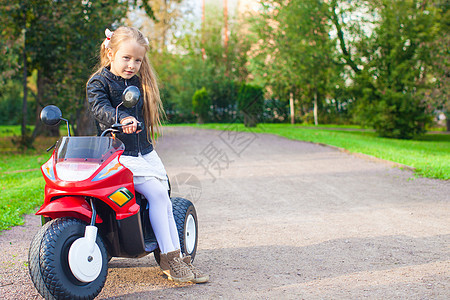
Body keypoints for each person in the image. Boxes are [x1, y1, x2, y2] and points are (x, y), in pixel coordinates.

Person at [86, 26, 208, 284]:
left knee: (163, 195)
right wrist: (121, 118)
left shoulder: (136, 81)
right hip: (118, 153)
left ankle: (176, 258)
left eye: (138, 60)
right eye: (126, 58)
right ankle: (172, 261)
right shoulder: (98, 82)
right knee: (155, 193)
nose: (132, 65)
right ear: (110, 53)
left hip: (144, 151)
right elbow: (101, 109)